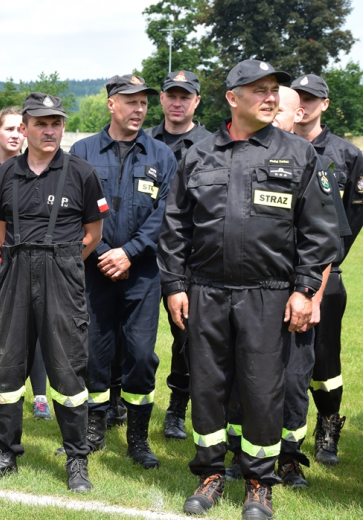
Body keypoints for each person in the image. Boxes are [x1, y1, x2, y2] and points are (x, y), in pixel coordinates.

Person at [159, 60, 338, 519]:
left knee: (261, 390)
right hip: (206, 292)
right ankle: (210, 472)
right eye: (257, 90)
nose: (270, 97)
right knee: (209, 386)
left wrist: (303, 290)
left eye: (273, 89)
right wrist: (176, 285)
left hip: (268, 294)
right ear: (232, 98)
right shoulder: (198, 155)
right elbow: (176, 227)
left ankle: (260, 481)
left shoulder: (298, 154)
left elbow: (321, 233)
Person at [0, 92, 107, 492]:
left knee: (67, 370)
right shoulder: (5, 175)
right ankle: (5, 454)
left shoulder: (81, 172)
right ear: (25, 126)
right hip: (14, 274)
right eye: (41, 123)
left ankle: (76, 459)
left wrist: (62, 262)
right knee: (7, 369)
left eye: (56, 123)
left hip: (62, 276)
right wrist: (24, 261)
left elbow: (93, 235)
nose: (50, 130)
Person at [69, 75, 176, 468]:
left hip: (143, 273)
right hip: (93, 270)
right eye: (130, 101)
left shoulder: (161, 155)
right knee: (94, 352)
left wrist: (129, 252)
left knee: (141, 355)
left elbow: (166, 213)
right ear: (111, 104)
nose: (139, 109)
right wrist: (96, 252)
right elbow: (72, 208)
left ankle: (137, 438)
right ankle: (94, 429)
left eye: (144, 102)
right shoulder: (82, 151)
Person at [292, 73, 363, 468]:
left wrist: (329, 262)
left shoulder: (346, 154)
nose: (304, 102)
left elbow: (353, 214)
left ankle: (328, 427)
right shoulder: (277, 145)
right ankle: (287, 437)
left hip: (327, 273)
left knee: (325, 360)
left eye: (311, 97)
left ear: (325, 104)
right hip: (281, 271)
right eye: (298, 96)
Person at [144, 70, 211, 441]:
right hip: (140, 256)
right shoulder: (144, 141)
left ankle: (176, 410)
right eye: (171, 94)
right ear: (162, 99)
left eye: (185, 96)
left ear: (197, 101)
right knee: (129, 336)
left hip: (188, 259)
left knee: (186, 338)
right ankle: (121, 403)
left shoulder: (210, 146)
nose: (177, 101)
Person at [0, 106, 51, 419]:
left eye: (19, 128)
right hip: (1, 263)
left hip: (36, 266)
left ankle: (40, 395)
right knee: (0, 333)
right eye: (9, 129)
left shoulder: (36, 168)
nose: (15, 135)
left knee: (37, 329)